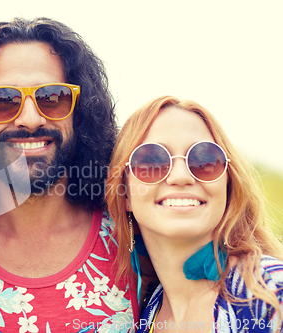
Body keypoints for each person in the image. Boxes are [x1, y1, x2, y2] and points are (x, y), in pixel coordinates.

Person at [0, 18, 138, 332]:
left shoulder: (133, 236)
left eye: (53, 98)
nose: (30, 118)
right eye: (2, 101)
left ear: (80, 113)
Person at [106, 95, 283, 332]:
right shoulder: (143, 315)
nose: (181, 177)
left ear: (228, 185)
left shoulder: (271, 289)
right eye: (151, 161)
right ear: (125, 193)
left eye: (204, 159)